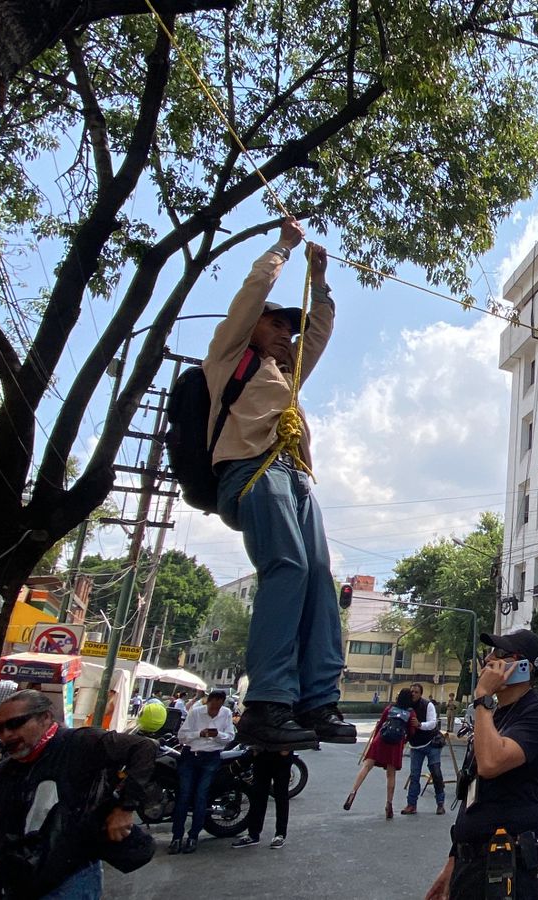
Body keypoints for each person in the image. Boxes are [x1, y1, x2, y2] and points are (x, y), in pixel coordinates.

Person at [207, 217, 349, 749]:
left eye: (289, 328)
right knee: (287, 565)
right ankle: (267, 700)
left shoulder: (287, 375)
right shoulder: (228, 360)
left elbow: (319, 330)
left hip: (295, 476)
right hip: (250, 470)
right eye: (276, 325)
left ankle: (317, 700)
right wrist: (283, 250)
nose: (287, 334)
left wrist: (321, 280)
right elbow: (249, 299)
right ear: (253, 328)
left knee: (318, 574)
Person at [0, 690, 154, 899]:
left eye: (15, 724)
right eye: (0, 728)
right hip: (15, 881)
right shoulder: (3, 770)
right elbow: (1, 831)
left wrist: (125, 808)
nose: (7, 734)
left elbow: (144, 748)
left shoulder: (79, 744)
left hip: (69, 879)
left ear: (45, 718)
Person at [423, 630, 538, 900]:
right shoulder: (494, 715)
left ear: (523, 666)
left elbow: (491, 763)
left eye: (498, 654)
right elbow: (474, 789)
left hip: (509, 868)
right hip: (471, 864)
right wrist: (454, 860)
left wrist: (483, 696)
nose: (487, 659)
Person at [169, 688, 234, 854]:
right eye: (213, 706)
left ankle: (193, 836)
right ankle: (176, 836)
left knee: (201, 796)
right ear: (209, 702)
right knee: (184, 795)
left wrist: (217, 734)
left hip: (211, 756)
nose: (215, 711)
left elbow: (230, 736)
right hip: (191, 755)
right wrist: (200, 733)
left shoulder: (226, 713)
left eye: (218, 707)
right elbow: (182, 736)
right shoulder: (196, 713)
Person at [345, 688, 419, 818]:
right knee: (391, 775)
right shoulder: (411, 713)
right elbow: (412, 731)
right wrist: (404, 740)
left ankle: (353, 791)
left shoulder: (390, 708)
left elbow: (380, 724)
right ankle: (389, 804)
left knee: (367, 766)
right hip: (395, 744)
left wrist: (375, 740)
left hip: (381, 740)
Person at [234, 748, 295, 850]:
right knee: (258, 797)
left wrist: (287, 749)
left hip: (282, 758)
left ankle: (280, 834)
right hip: (262, 757)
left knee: (281, 797)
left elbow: (294, 733)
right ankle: (253, 834)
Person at [404, 682, 447, 816]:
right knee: (414, 775)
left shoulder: (427, 705)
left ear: (421, 694)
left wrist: (419, 725)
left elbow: (433, 723)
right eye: (412, 692)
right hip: (415, 745)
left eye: (416, 692)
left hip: (431, 743)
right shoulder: (406, 706)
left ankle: (440, 804)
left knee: (436, 772)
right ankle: (411, 804)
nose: (413, 694)